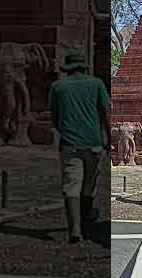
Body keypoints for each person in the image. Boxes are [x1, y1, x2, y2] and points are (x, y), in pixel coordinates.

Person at [49, 53, 110, 243]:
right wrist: (109, 136)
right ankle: (86, 220)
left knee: (71, 186)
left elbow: (54, 116)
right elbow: (105, 111)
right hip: (93, 143)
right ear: (84, 67)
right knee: (89, 184)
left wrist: (64, 130)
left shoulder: (58, 87)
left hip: (70, 144)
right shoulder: (96, 84)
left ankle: (75, 229)